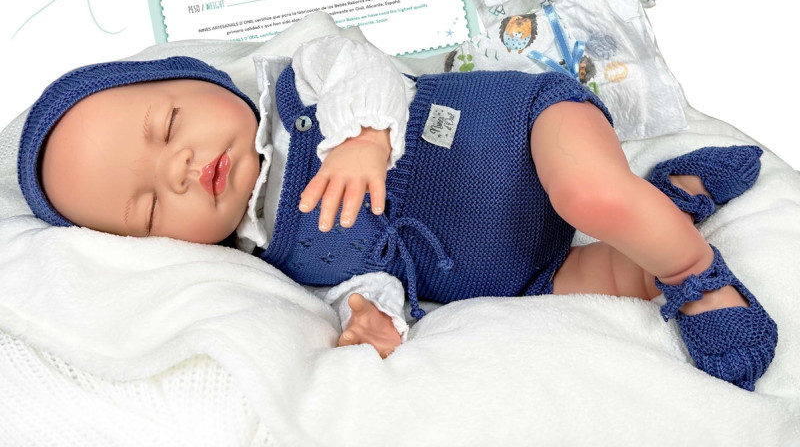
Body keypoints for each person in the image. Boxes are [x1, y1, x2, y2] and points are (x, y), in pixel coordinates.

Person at [17, 35, 777, 389]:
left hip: (525, 133)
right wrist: (371, 315)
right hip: (525, 267)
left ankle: (695, 272)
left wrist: (365, 138)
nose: (179, 168)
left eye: (166, 126)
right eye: (150, 206)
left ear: (198, 78)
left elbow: (362, 64)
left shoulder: (302, 84)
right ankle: (668, 207)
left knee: (589, 195)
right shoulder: (276, 259)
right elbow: (358, 279)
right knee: (602, 283)